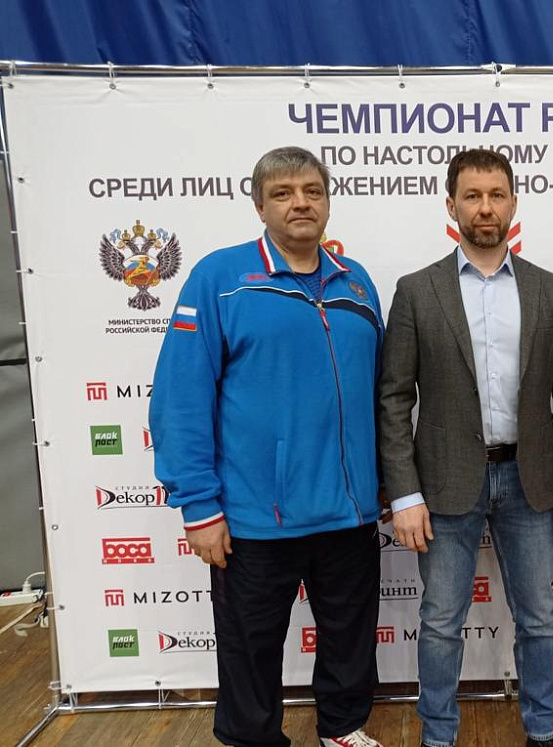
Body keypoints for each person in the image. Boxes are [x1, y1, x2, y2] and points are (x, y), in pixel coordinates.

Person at [150, 146, 385, 747]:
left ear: (327, 201)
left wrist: (381, 484)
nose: (300, 203)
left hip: (350, 513)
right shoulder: (220, 279)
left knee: (350, 638)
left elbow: (380, 394)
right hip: (256, 518)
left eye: (312, 190)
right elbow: (181, 396)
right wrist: (198, 505)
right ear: (259, 206)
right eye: (282, 193)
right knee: (249, 648)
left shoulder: (356, 281)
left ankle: (342, 728)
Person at [379, 148, 553, 747]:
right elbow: (393, 399)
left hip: (530, 480)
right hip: (444, 484)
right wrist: (404, 494)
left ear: (514, 203)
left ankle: (544, 732)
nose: (485, 207)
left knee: (540, 619)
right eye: (472, 196)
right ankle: (437, 737)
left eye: (497, 195)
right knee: (440, 623)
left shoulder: (549, 290)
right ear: (451, 205)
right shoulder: (417, 291)